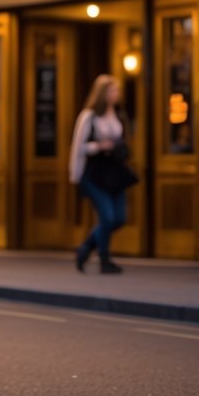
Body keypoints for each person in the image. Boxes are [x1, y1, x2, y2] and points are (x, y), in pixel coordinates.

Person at [68, 74, 130, 274]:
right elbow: (78, 147)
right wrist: (98, 146)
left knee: (119, 217)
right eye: (112, 90)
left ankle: (86, 247)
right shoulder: (89, 116)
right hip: (94, 173)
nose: (116, 94)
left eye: (117, 90)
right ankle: (104, 258)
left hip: (114, 172)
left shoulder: (119, 114)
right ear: (103, 93)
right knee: (107, 216)